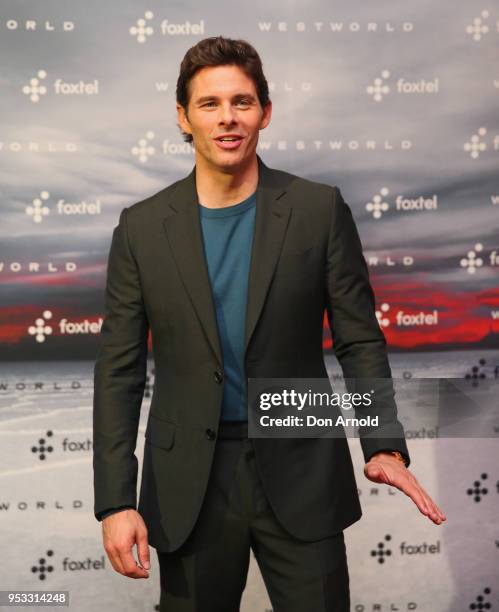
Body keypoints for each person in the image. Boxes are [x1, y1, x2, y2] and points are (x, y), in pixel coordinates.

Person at [93, 36, 446, 611]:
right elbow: (119, 371)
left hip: (302, 464)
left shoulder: (318, 209)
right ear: (183, 116)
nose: (227, 118)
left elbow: (358, 339)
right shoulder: (141, 227)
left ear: (266, 111)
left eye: (243, 101)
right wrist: (115, 501)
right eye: (209, 104)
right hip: (190, 483)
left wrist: (383, 443)